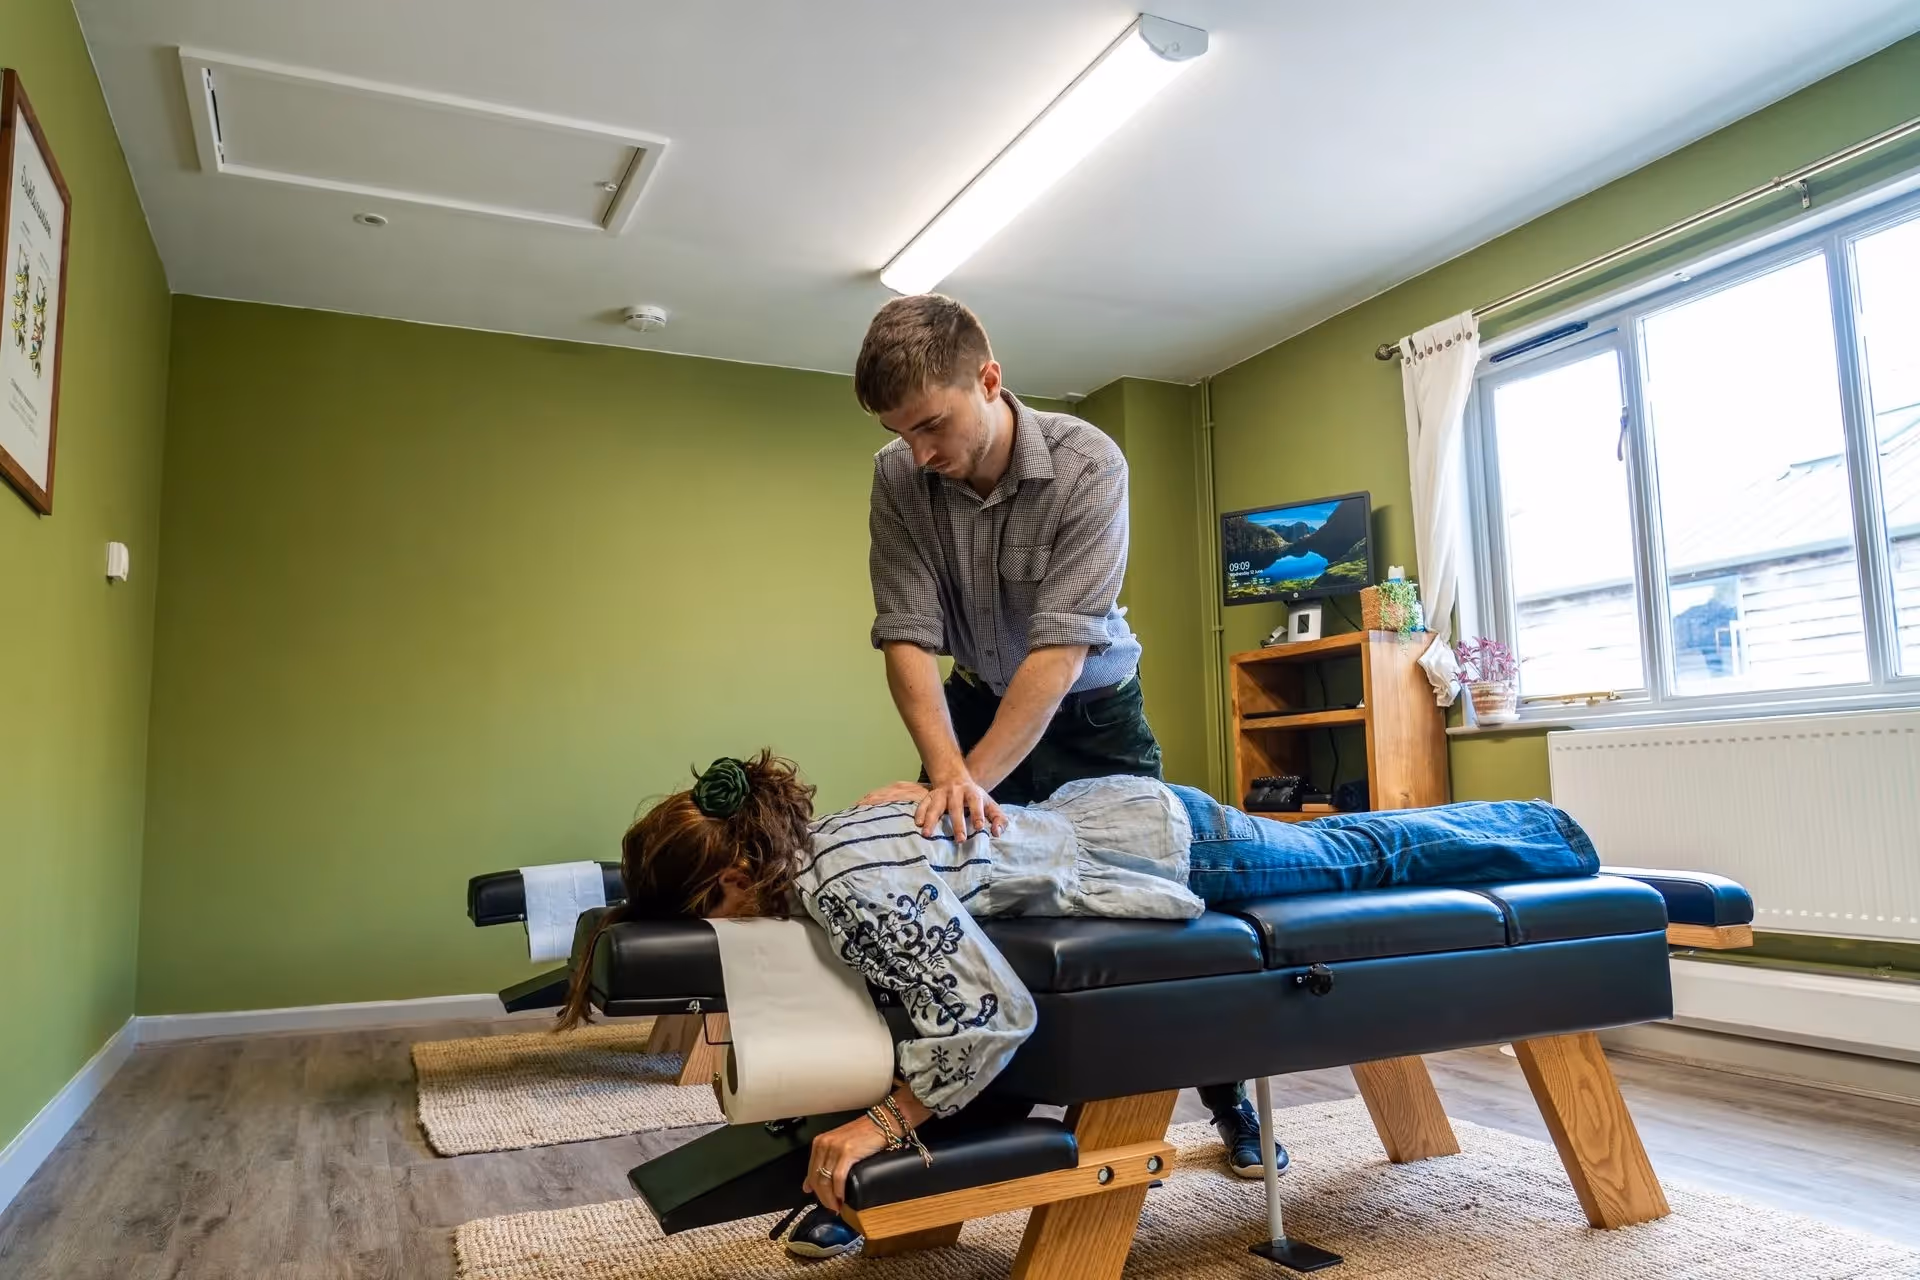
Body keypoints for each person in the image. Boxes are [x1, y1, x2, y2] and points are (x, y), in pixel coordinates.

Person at [560, 753, 1601, 1260]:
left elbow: (986, 1017)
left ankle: (1549, 833)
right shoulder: (822, 856)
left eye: (708, 909)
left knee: (1362, 854)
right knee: (1355, 851)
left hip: (1163, 842)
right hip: (1097, 817)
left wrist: (881, 1123)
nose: (718, 928)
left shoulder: (845, 886)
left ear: (737, 870)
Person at [851, 296, 1280, 1205]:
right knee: (963, 904)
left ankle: (1227, 1100)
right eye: (900, 432)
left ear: (989, 380)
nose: (918, 451)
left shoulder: (1089, 461)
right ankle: (942, 1121)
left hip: (1091, 711)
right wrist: (950, 775)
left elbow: (1059, 653)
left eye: (931, 424)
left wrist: (968, 784)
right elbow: (907, 636)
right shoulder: (897, 476)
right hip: (977, 702)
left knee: (1160, 914)